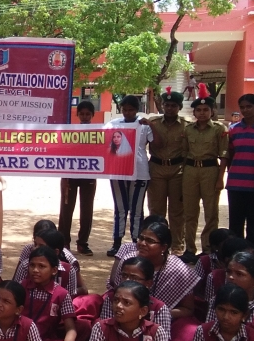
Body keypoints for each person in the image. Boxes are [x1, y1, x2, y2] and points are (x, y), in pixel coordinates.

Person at [22, 246, 83, 341]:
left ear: (54, 270)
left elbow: (71, 329)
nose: (35, 270)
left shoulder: (61, 294)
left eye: (42, 266)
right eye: (32, 265)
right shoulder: (21, 287)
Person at [182, 84, 229, 259]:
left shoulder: (219, 129)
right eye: (198, 110)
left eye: (205, 109)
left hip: (210, 170)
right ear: (194, 113)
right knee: (190, 211)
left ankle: (208, 248)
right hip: (190, 170)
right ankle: (190, 249)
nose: (202, 113)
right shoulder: (187, 130)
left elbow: (224, 154)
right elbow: (184, 152)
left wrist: (220, 177)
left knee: (211, 212)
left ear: (212, 111)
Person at [143, 87, 187, 256]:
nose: (170, 108)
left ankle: (177, 245)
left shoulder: (186, 126)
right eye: (167, 105)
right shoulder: (151, 123)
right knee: (156, 209)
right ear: (162, 106)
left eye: (173, 106)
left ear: (180, 107)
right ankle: (157, 243)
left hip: (178, 170)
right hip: (156, 168)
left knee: (177, 211)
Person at [107, 95, 153, 256]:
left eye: (131, 109)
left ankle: (136, 242)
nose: (127, 112)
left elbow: (156, 143)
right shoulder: (112, 124)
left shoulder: (144, 124)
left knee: (137, 209)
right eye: (124, 109)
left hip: (140, 171)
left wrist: (151, 124)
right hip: (118, 170)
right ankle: (117, 242)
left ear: (137, 109)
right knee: (120, 209)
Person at [227, 93, 254, 254]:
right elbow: (230, 155)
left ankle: (253, 258)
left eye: (249, 106)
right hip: (235, 184)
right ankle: (236, 258)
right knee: (235, 225)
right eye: (242, 107)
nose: (245, 110)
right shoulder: (233, 130)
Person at [59, 100, 98, 255]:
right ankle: (64, 242)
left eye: (88, 114)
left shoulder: (98, 131)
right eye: (82, 114)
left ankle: (83, 243)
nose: (85, 117)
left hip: (89, 174)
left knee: (87, 209)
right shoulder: (70, 130)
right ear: (77, 115)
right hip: (69, 174)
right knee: (66, 209)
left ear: (92, 115)